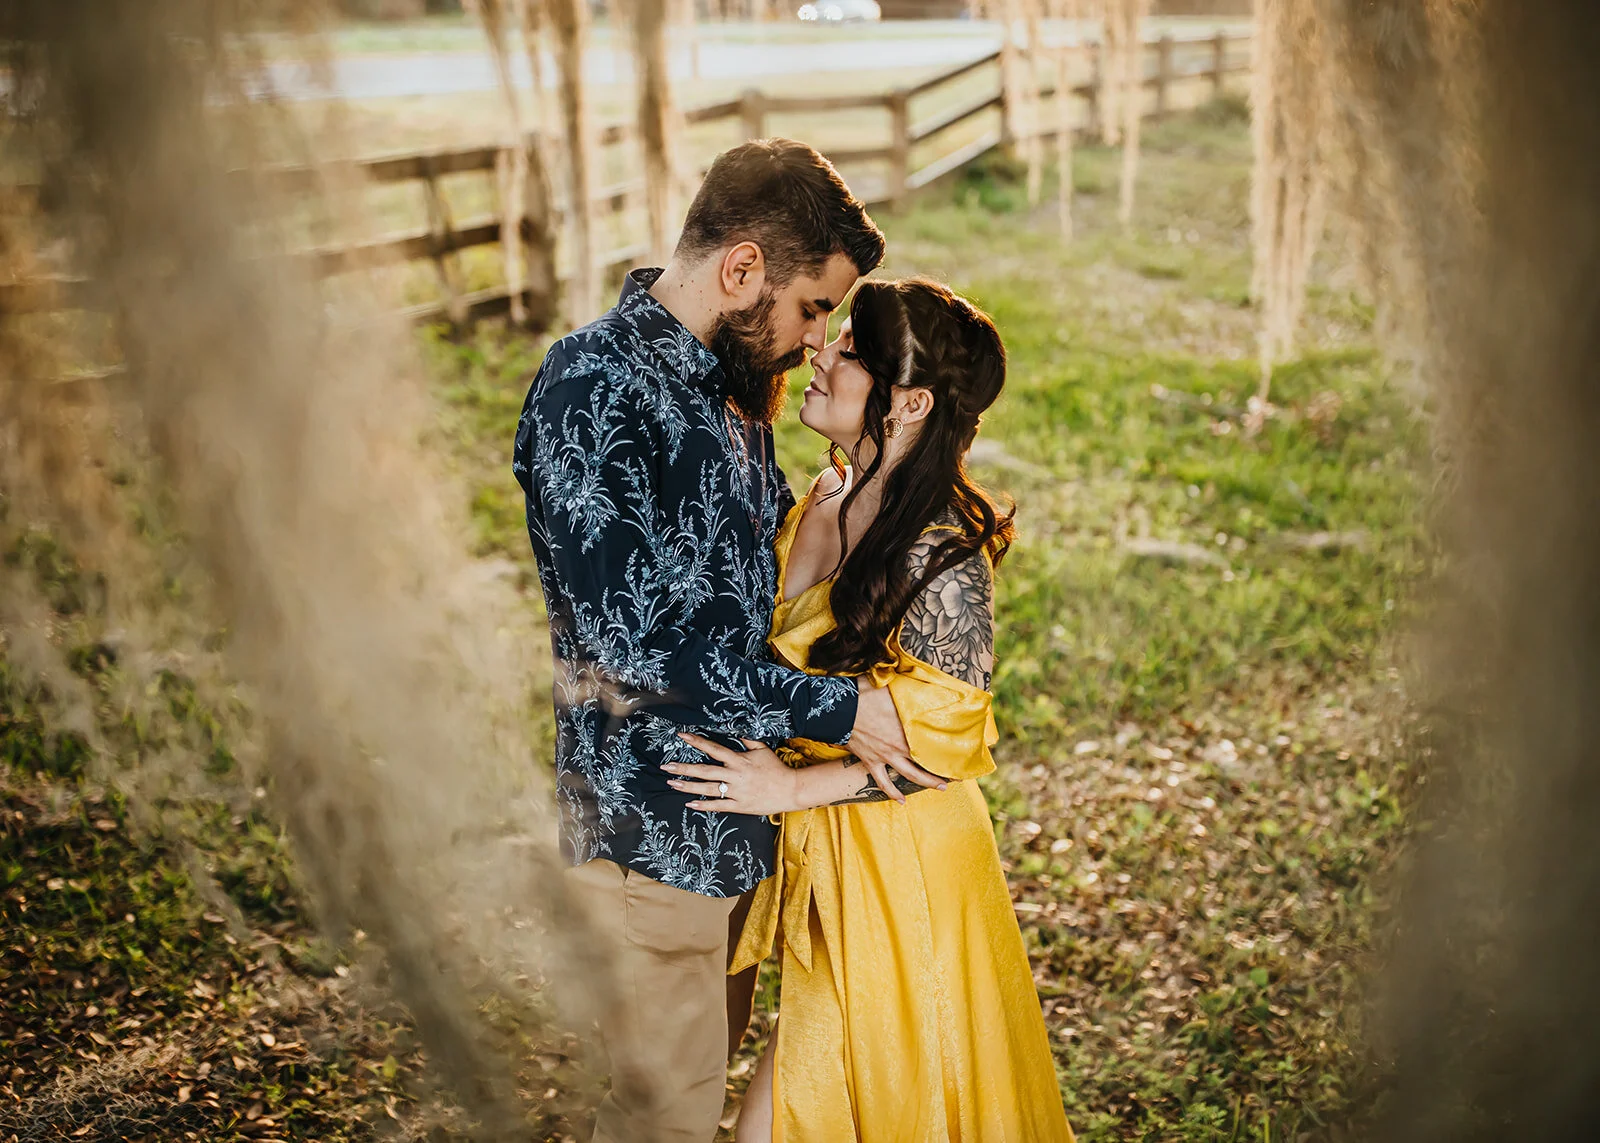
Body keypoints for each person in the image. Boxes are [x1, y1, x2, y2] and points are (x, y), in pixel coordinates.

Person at [511, 140, 942, 1143]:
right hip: (647, 838)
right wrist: (846, 713)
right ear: (740, 270)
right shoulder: (593, 388)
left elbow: (751, 603)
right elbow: (631, 643)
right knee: (660, 1118)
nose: (815, 340)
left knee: (706, 1091)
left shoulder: (732, 390)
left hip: (738, 832)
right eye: (810, 308)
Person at [663, 278, 1076, 1141]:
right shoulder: (820, 495)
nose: (822, 352)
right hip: (819, 863)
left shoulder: (941, 554)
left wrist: (789, 790)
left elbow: (944, 749)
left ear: (912, 400)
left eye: (851, 350)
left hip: (908, 868)